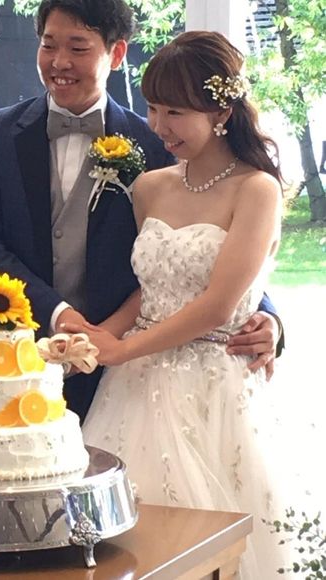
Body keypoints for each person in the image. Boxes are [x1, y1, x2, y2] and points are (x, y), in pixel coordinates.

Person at [0, 0, 282, 423]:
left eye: (78, 47)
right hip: (19, 355)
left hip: (124, 370)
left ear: (116, 53)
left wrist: (267, 316)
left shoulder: (158, 143)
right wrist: (58, 314)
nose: (59, 62)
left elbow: (203, 246)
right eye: (49, 45)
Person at [64, 31, 288, 577]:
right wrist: (99, 335)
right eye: (153, 108)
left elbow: (217, 306)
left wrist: (122, 348)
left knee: (204, 548)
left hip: (212, 382)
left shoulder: (256, 190)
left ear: (222, 113)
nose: (159, 126)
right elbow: (152, 287)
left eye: (176, 112)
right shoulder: (149, 187)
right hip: (133, 384)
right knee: (113, 544)